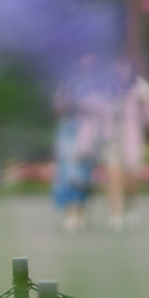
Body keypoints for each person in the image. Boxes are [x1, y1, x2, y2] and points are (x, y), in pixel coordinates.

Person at [103, 56, 149, 230]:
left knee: (131, 178)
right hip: (111, 136)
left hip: (132, 137)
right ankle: (115, 214)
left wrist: (147, 100)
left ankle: (130, 208)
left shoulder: (138, 86)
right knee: (114, 175)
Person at [51, 54, 103, 232]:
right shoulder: (67, 82)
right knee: (69, 173)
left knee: (85, 173)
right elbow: (58, 107)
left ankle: (81, 212)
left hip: (89, 131)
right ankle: (71, 213)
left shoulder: (99, 81)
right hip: (69, 130)